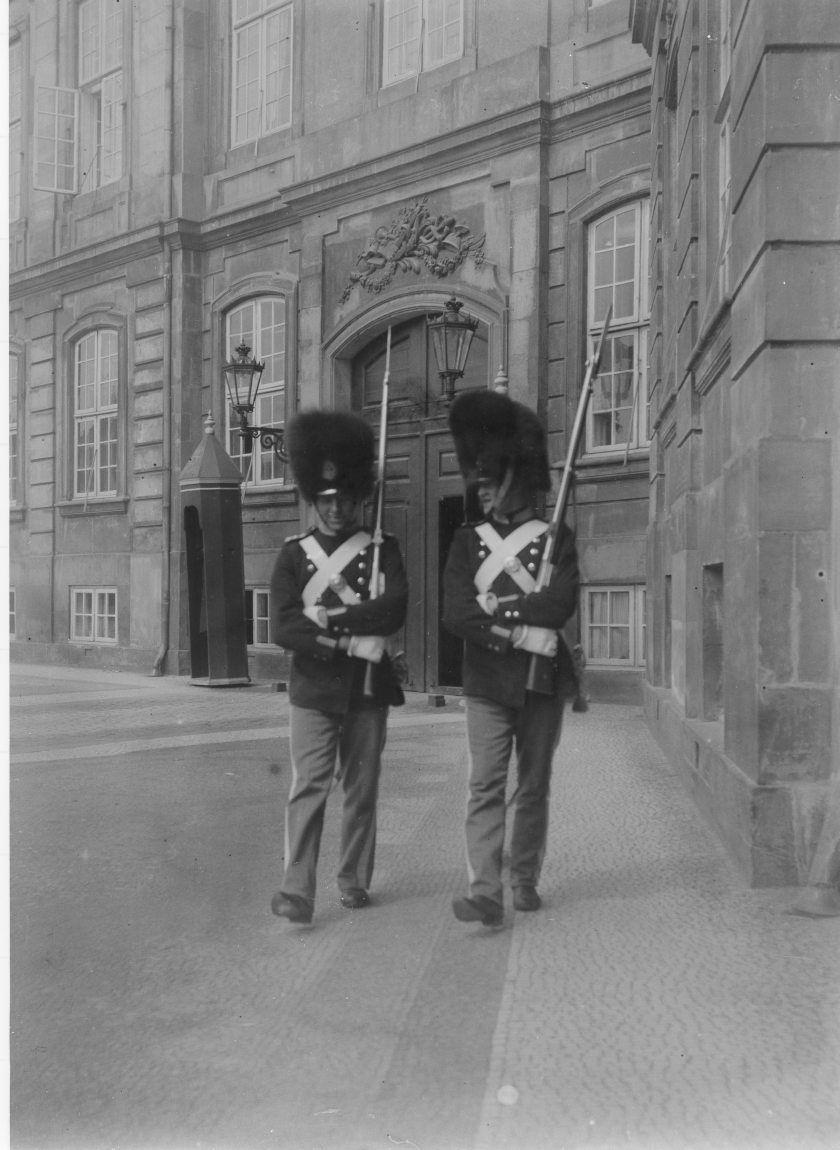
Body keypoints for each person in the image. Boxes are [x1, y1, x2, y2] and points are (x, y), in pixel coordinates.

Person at [443, 389, 580, 927]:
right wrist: (520, 631)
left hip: (542, 681)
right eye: (477, 482)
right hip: (487, 680)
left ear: (513, 479)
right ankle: (484, 887)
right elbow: (456, 613)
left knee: (533, 785)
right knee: (484, 785)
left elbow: (560, 601)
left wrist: (496, 607)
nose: (481, 492)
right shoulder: (466, 542)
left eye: (488, 481)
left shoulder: (555, 537)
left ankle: (523, 877)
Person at [269, 409, 408, 925]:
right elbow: (283, 627)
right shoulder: (293, 555)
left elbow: (394, 608)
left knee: (361, 790)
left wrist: (325, 616)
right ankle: (296, 889)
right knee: (309, 787)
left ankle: (352, 879)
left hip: (368, 692)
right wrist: (348, 640)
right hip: (313, 690)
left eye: (343, 499)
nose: (334, 508)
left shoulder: (381, 551)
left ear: (358, 498)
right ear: (312, 498)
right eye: (325, 500)